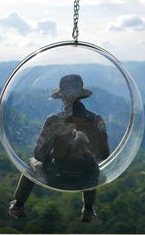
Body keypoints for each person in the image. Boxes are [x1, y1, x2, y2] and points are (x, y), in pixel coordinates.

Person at [8, 74, 110, 222]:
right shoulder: (96, 120)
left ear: (63, 97)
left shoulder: (55, 121)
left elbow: (39, 154)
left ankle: (18, 205)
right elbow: (104, 154)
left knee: (30, 163)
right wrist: (85, 155)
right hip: (86, 180)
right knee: (92, 165)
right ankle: (88, 209)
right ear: (81, 96)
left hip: (56, 177)